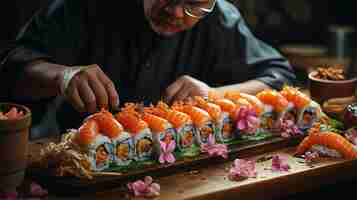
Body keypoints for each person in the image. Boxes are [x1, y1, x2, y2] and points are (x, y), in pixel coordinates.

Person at [0, 0, 296, 132]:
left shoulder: (219, 18)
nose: (177, 12)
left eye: (194, 4)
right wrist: (61, 76)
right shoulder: (85, 5)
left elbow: (279, 76)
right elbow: (9, 66)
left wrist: (214, 94)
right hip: (84, 164)